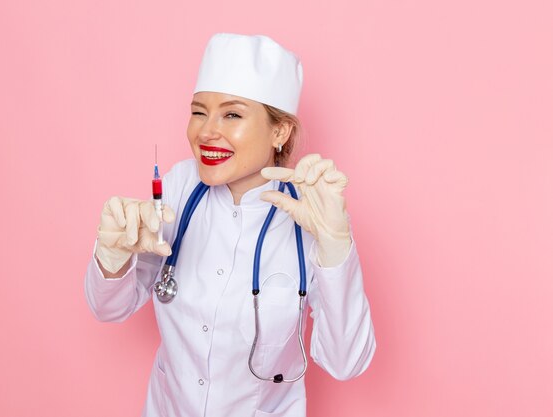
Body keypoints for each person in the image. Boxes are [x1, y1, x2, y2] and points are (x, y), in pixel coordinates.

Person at [84, 33, 376, 417]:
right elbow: (109, 309)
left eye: (232, 114)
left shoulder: (313, 214)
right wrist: (112, 257)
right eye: (199, 111)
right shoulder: (177, 189)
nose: (206, 132)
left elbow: (345, 362)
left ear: (280, 131)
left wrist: (336, 246)